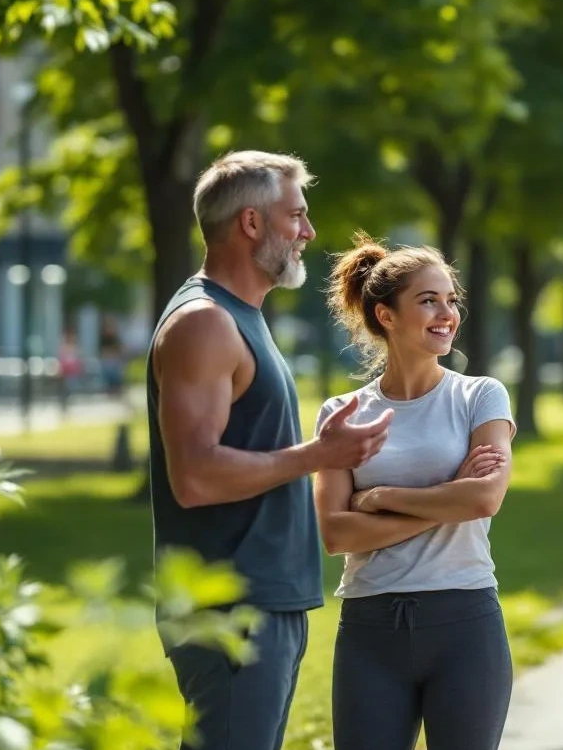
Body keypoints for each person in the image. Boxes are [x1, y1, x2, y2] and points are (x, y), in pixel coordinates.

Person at [145, 150, 393, 750]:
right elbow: (195, 477)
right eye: (297, 216)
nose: (309, 232)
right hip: (231, 607)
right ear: (251, 223)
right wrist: (318, 455)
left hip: (265, 600)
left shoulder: (243, 315)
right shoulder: (204, 323)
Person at [313, 232, 516, 750]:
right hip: (370, 628)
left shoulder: (480, 395)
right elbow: (336, 533)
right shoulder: (342, 415)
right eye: (429, 300)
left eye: (451, 300)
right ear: (386, 315)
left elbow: (485, 499)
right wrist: (451, 497)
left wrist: (381, 499)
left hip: (465, 622)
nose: (447, 313)